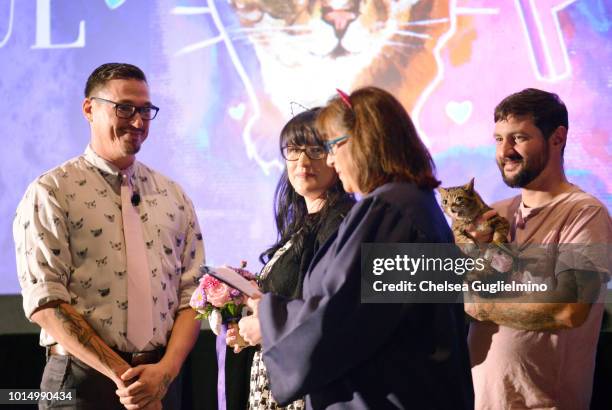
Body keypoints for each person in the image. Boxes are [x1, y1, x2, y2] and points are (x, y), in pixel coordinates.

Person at [237, 87, 474, 409]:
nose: (332, 160)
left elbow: (342, 319)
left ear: (364, 143)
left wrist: (269, 320)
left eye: (331, 147)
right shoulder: (413, 205)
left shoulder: (391, 212)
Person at [13, 63, 205, 409]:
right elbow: (45, 302)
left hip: (160, 381)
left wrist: (163, 374)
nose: (138, 121)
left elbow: (192, 297)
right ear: (90, 109)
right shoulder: (52, 191)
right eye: (125, 108)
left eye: (146, 110)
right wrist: (125, 378)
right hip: (80, 383)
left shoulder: (173, 196)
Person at [465, 88, 611, 409]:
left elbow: (569, 309)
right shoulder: (497, 213)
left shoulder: (585, 213)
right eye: (498, 139)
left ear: (557, 138)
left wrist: (486, 307)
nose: (505, 151)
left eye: (518, 138)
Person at [225, 108, 354, 409]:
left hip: (306, 389)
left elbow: (328, 310)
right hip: (277, 380)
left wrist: (267, 327)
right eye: (294, 150)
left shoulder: (343, 222)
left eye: (316, 149)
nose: (303, 162)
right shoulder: (301, 226)